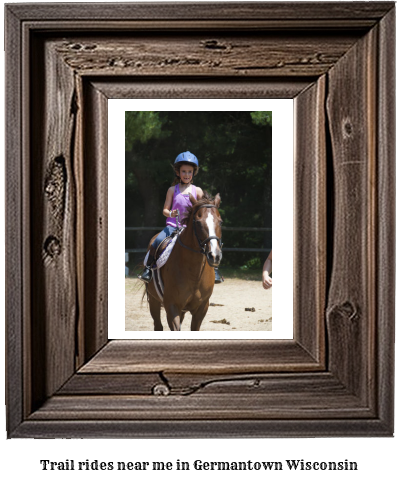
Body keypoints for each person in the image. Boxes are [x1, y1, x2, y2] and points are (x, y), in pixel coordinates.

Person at [138, 151, 223, 284]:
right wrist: (170, 213)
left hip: (191, 228)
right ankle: (148, 269)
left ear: (193, 173)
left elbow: (204, 210)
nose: (187, 175)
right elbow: (165, 210)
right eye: (184, 171)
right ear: (178, 172)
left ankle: (215, 269)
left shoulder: (198, 191)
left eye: (190, 172)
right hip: (173, 226)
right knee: (156, 241)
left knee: (210, 242)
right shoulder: (172, 190)